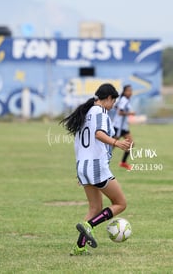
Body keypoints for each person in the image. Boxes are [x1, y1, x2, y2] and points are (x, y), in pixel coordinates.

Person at [60, 83, 131, 256]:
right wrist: (116, 142)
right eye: (113, 101)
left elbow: (79, 145)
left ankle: (79, 247)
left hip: (83, 166)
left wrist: (81, 171)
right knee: (120, 204)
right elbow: (98, 134)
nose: (113, 105)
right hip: (96, 166)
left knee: (95, 209)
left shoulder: (85, 114)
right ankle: (89, 226)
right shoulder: (99, 111)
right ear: (108, 98)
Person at [112, 85, 135, 170]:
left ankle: (123, 163)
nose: (130, 92)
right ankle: (100, 160)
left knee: (131, 144)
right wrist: (130, 114)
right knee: (111, 146)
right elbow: (120, 112)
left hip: (123, 127)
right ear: (124, 92)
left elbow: (116, 106)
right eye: (128, 91)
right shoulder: (124, 100)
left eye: (131, 91)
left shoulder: (123, 100)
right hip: (118, 127)